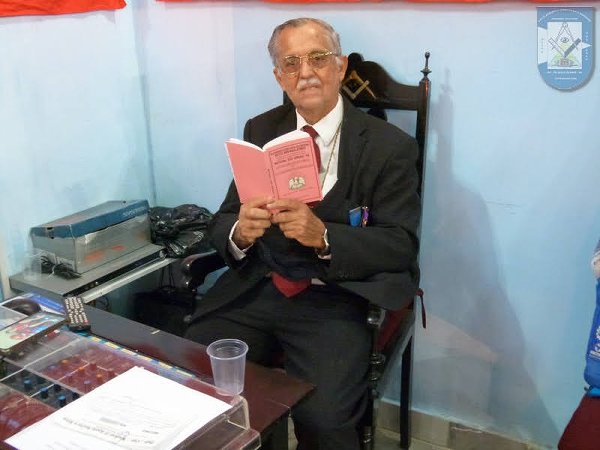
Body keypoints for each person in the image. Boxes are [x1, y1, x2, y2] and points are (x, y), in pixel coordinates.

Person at [185, 17, 421, 450]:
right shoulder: (261, 129)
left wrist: (325, 236)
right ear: (279, 76)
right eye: (291, 63)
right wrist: (241, 231)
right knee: (197, 380)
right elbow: (224, 218)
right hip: (257, 286)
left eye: (318, 58)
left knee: (325, 419)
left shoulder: (390, 146)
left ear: (340, 66)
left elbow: (400, 244)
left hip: (335, 297)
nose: (306, 73)